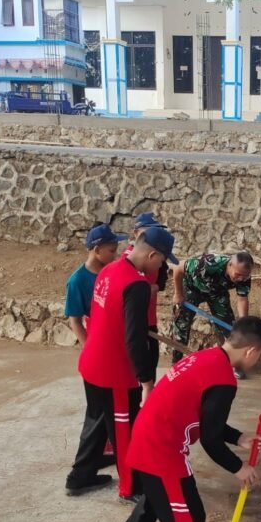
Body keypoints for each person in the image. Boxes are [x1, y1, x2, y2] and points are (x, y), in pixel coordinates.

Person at [114, 316, 261, 522]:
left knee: (157, 499)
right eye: (260, 354)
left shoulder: (205, 356)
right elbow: (210, 439)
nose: (258, 359)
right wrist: (238, 467)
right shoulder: (224, 380)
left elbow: (206, 419)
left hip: (145, 436)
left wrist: (238, 438)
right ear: (251, 351)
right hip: (162, 451)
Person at [66, 227, 178, 502]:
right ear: (152, 254)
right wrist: (146, 382)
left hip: (91, 362)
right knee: (125, 429)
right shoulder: (136, 285)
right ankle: (132, 488)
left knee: (98, 421)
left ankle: (80, 477)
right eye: (161, 261)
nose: (161, 266)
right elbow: (134, 339)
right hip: (113, 372)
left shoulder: (110, 269)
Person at [64, 223, 128, 494]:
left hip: (111, 353)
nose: (115, 254)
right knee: (101, 415)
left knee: (101, 414)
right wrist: (90, 347)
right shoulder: (78, 280)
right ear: (96, 249)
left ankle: (91, 464)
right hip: (98, 355)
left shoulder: (111, 271)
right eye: (112, 250)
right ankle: (79, 476)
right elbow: (74, 320)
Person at [170, 252, 254, 379]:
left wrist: (242, 322)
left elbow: (242, 299)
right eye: (238, 275)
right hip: (192, 288)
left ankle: (234, 363)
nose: (241, 279)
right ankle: (176, 363)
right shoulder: (207, 263)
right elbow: (178, 267)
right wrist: (178, 293)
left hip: (217, 293)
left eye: (244, 276)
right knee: (181, 324)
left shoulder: (244, 275)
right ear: (230, 265)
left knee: (230, 328)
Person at [123, 212, 170, 378]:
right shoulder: (125, 261)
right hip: (134, 321)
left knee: (151, 363)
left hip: (150, 318)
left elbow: (163, 278)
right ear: (136, 233)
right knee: (138, 368)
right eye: (147, 230)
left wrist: (154, 287)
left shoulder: (157, 257)